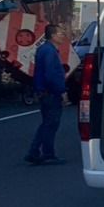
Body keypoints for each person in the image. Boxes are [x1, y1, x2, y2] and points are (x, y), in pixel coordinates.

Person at [25, 24, 68, 165]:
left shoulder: (43, 49)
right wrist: (61, 91)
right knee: (50, 123)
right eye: (61, 33)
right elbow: (51, 75)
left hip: (44, 91)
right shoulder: (50, 52)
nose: (63, 36)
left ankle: (38, 152)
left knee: (47, 123)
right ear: (53, 35)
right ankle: (42, 152)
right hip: (51, 93)